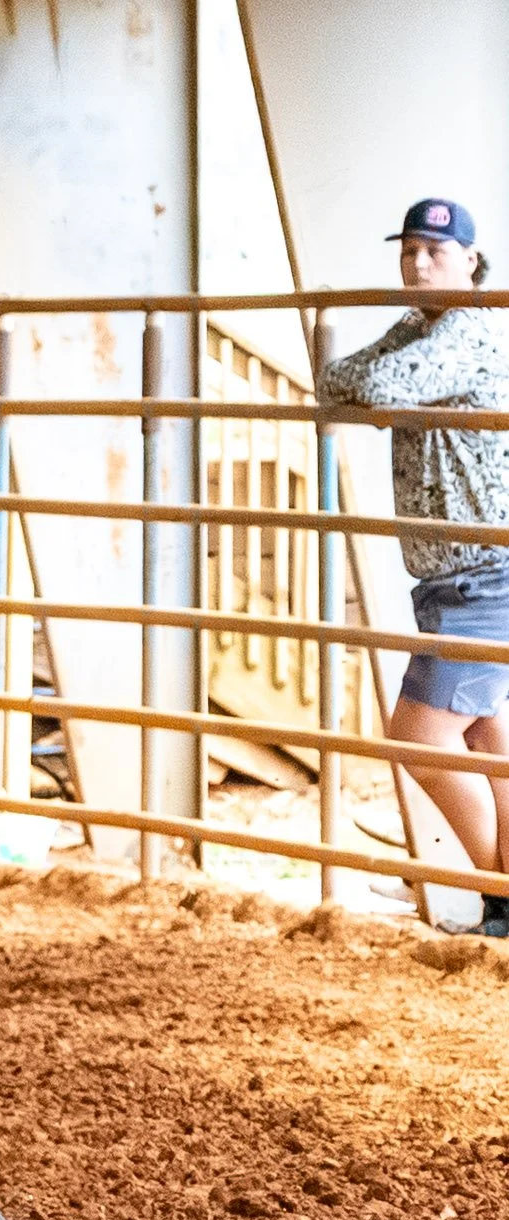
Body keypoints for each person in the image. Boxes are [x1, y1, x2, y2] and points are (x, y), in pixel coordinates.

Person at [319, 198, 509, 937]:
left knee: (416, 736)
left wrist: (383, 362)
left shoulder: (465, 333)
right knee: (488, 743)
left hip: (480, 576)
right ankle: (501, 898)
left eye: (435, 251)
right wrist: (402, 330)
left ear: (470, 259)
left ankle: (502, 892)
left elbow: (375, 388)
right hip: (455, 577)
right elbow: (333, 381)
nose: (418, 263)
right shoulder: (427, 327)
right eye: (408, 252)